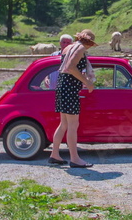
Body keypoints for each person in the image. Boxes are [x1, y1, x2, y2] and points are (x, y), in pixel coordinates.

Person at [48, 29, 98, 168]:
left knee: (63, 124)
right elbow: (71, 67)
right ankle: (75, 159)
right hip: (70, 89)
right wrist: (87, 82)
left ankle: (55, 154)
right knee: (72, 126)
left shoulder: (69, 47)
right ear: (88, 42)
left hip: (62, 87)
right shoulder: (80, 48)